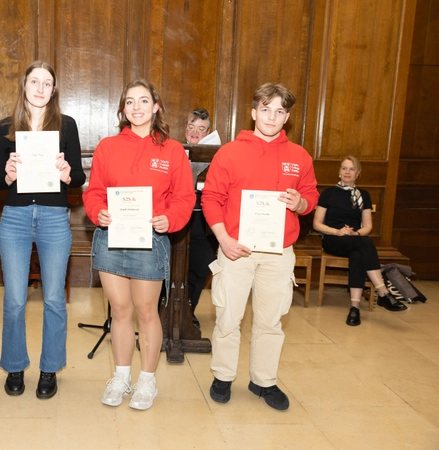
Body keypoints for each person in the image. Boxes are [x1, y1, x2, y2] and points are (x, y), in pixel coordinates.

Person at [201, 83, 319, 411]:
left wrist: (301, 203)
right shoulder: (229, 153)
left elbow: (312, 197)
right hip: (235, 249)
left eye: (279, 111)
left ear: (287, 117)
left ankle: (263, 380)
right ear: (254, 113)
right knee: (228, 317)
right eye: (266, 109)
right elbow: (211, 198)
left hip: (278, 252)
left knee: (271, 320)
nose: (272, 116)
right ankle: (223, 375)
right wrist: (223, 239)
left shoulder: (299, 156)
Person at [83, 79, 195, 411]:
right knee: (120, 311)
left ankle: (147, 380)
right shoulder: (107, 146)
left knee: (146, 311)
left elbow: (184, 198)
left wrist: (170, 220)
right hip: (111, 239)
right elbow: (93, 192)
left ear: (156, 106)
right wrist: (97, 212)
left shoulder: (172, 149)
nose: (137, 108)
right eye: (130, 102)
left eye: (143, 101)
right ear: (123, 109)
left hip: (151, 241)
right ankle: (121, 376)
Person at [0, 61, 85, 400]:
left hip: (54, 216)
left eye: (47, 83)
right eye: (35, 81)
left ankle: (49, 369)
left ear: (54, 89)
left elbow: (79, 178)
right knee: (15, 300)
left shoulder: (67, 125)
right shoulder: (5, 126)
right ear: (24, 85)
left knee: (55, 299)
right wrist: (8, 174)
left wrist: (66, 172)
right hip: (14, 217)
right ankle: (15, 365)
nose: (41, 88)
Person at [313, 155, 407, 326]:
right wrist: (338, 231)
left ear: (358, 174)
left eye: (352, 169)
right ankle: (383, 292)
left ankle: (354, 308)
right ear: (339, 172)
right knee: (365, 243)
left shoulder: (364, 195)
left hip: (354, 239)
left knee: (358, 253)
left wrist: (355, 234)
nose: (347, 172)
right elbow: (317, 224)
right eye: (344, 168)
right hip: (333, 239)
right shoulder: (328, 193)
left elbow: (367, 226)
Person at [183, 108, 219, 326]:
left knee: (202, 266)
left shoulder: (217, 157)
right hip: (177, 220)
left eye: (201, 129)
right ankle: (168, 310)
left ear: (208, 133)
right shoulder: (173, 151)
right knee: (174, 269)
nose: (195, 133)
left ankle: (189, 310)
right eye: (191, 127)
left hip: (203, 221)